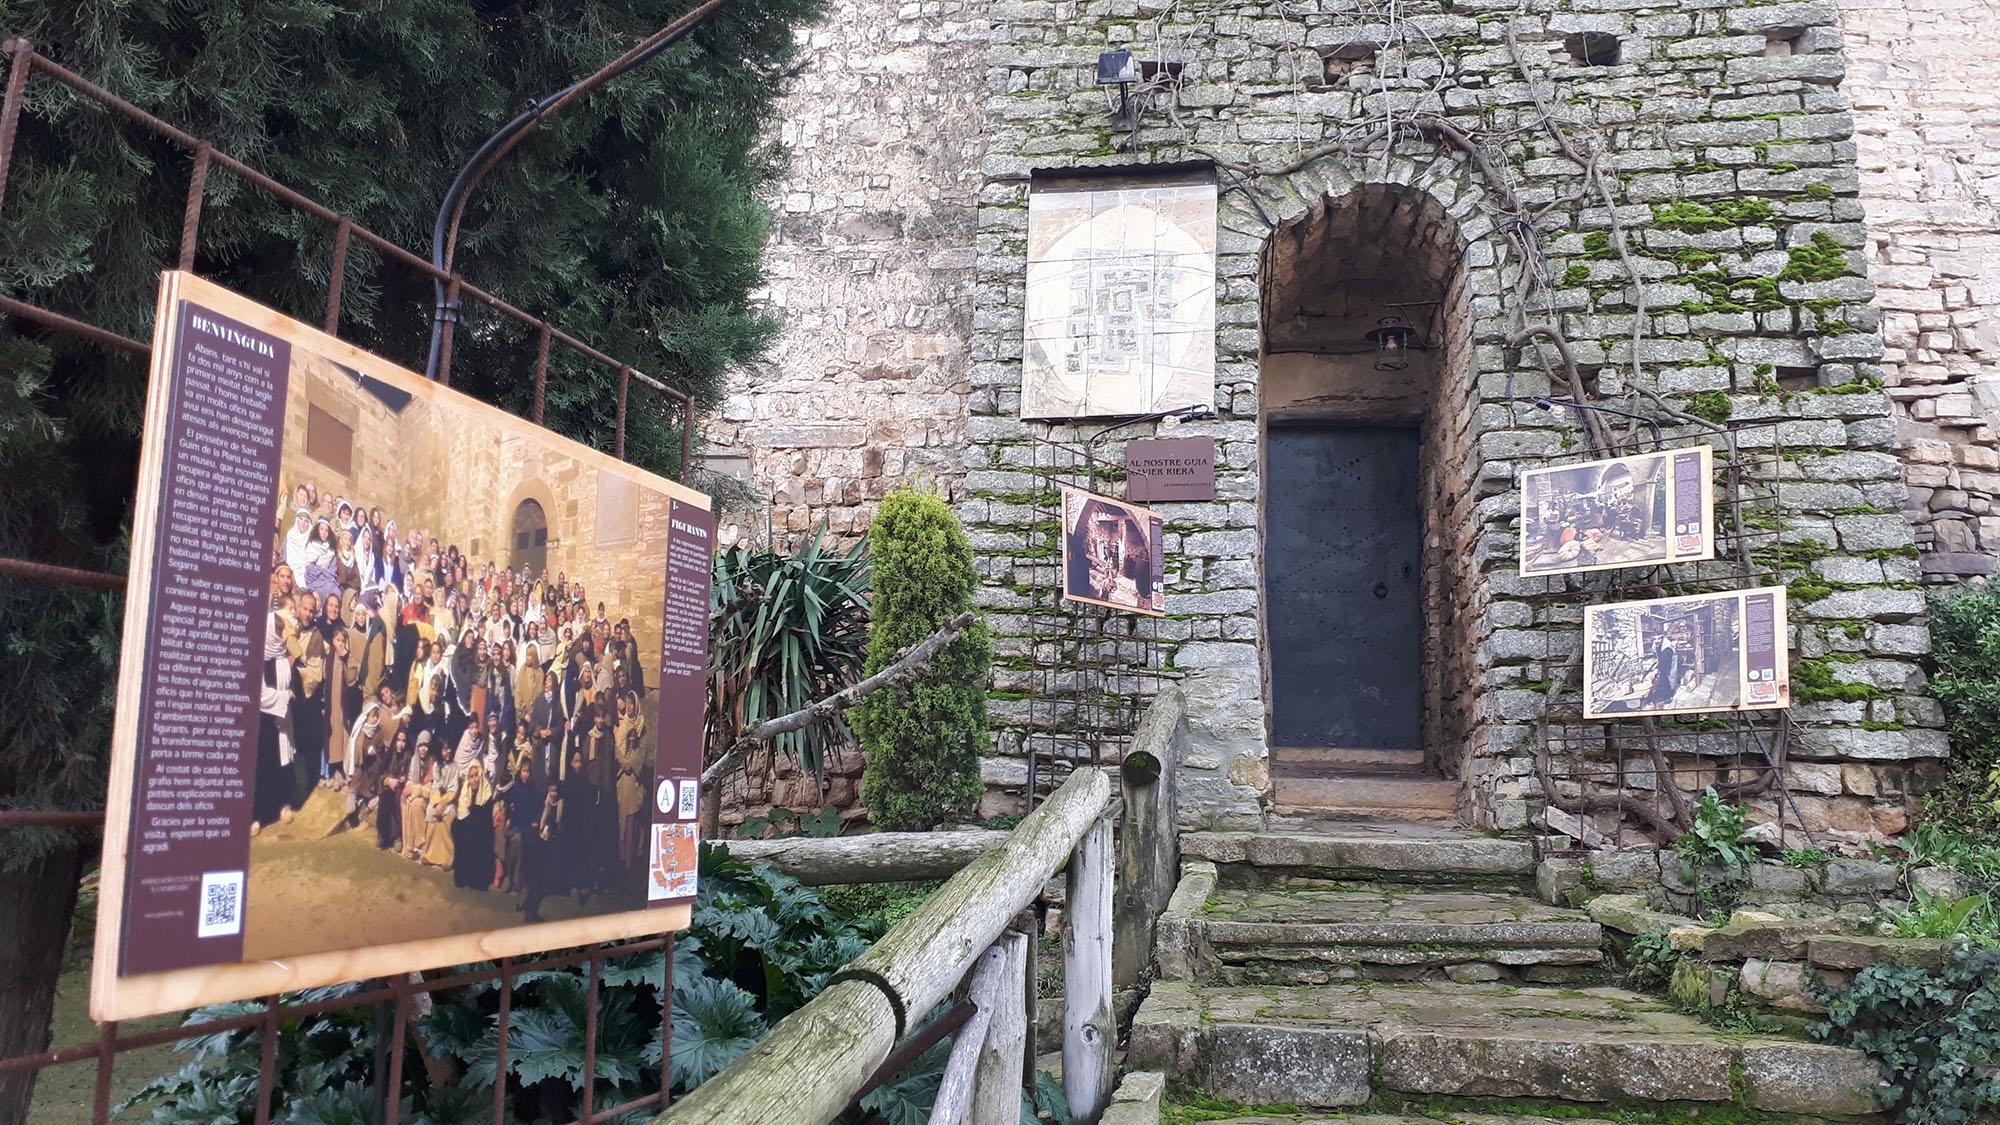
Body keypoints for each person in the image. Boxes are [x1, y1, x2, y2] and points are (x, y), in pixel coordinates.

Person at [450, 759, 496, 890]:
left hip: (482, 828)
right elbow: (462, 813)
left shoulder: (486, 790)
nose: (474, 780)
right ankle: (462, 874)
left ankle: (478, 879)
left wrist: (474, 813)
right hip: (469, 826)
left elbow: (484, 816)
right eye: (471, 777)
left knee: (476, 835)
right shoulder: (466, 790)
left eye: (476, 775)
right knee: (457, 828)